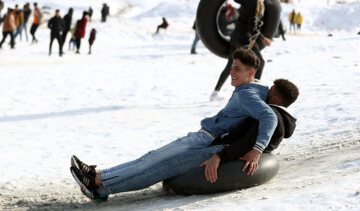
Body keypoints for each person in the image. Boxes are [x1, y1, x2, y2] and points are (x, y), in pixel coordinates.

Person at [70, 49, 285, 202]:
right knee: (150, 159)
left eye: (237, 69)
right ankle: (97, 176)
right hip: (206, 137)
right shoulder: (257, 88)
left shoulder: (249, 93)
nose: (231, 72)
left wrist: (257, 150)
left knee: (151, 161)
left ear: (251, 73)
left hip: (205, 139)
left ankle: (97, 180)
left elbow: (270, 117)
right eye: (231, 67)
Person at [210, 0, 273, 101]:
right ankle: (251, 93)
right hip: (245, 39)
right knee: (258, 63)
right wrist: (262, 38)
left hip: (236, 36)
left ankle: (215, 93)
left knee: (231, 65)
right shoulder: (257, 2)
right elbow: (252, 26)